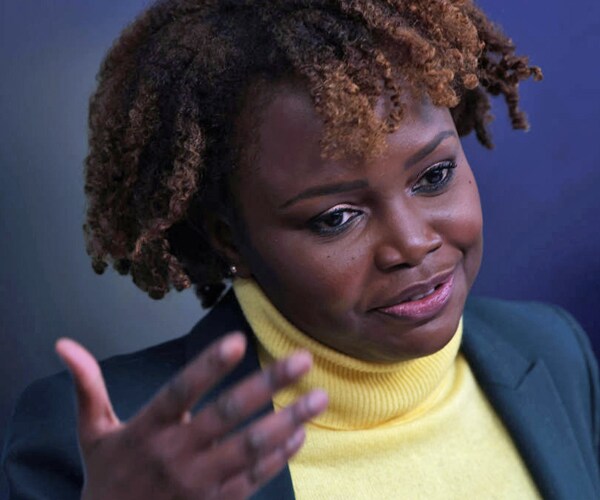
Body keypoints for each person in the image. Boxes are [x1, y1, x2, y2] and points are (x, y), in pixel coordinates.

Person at [2, 0, 599, 498]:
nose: (413, 243)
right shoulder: (106, 448)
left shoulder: (553, 352)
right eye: (336, 218)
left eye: (434, 176)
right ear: (227, 236)